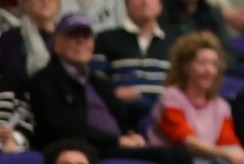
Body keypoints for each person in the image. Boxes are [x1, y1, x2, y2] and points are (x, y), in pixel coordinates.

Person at [29, 12, 155, 158]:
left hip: (115, 145)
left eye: (85, 37)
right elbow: (63, 127)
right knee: (169, 158)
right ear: (57, 43)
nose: (80, 42)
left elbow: (121, 118)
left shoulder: (97, 80)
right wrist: (117, 140)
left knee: (175, 155)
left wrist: (132, 134)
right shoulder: (45, 79)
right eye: (73, 36)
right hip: (82, 149)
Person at [150, 31, 244, 163]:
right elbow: (188, 144)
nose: (209, 70)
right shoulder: (171, 98)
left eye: (214, 64)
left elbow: (229, 143)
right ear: (186, 66)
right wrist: (225, 153)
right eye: (202, 63)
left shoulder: (221, 106)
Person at [96, 0, 173, 124]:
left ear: (160, 5)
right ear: (126, 4)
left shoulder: (174, 42)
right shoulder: (106, 39)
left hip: (165, 117)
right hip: (121, 113)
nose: (145, 0)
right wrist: (113, 92)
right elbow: (96, 79)